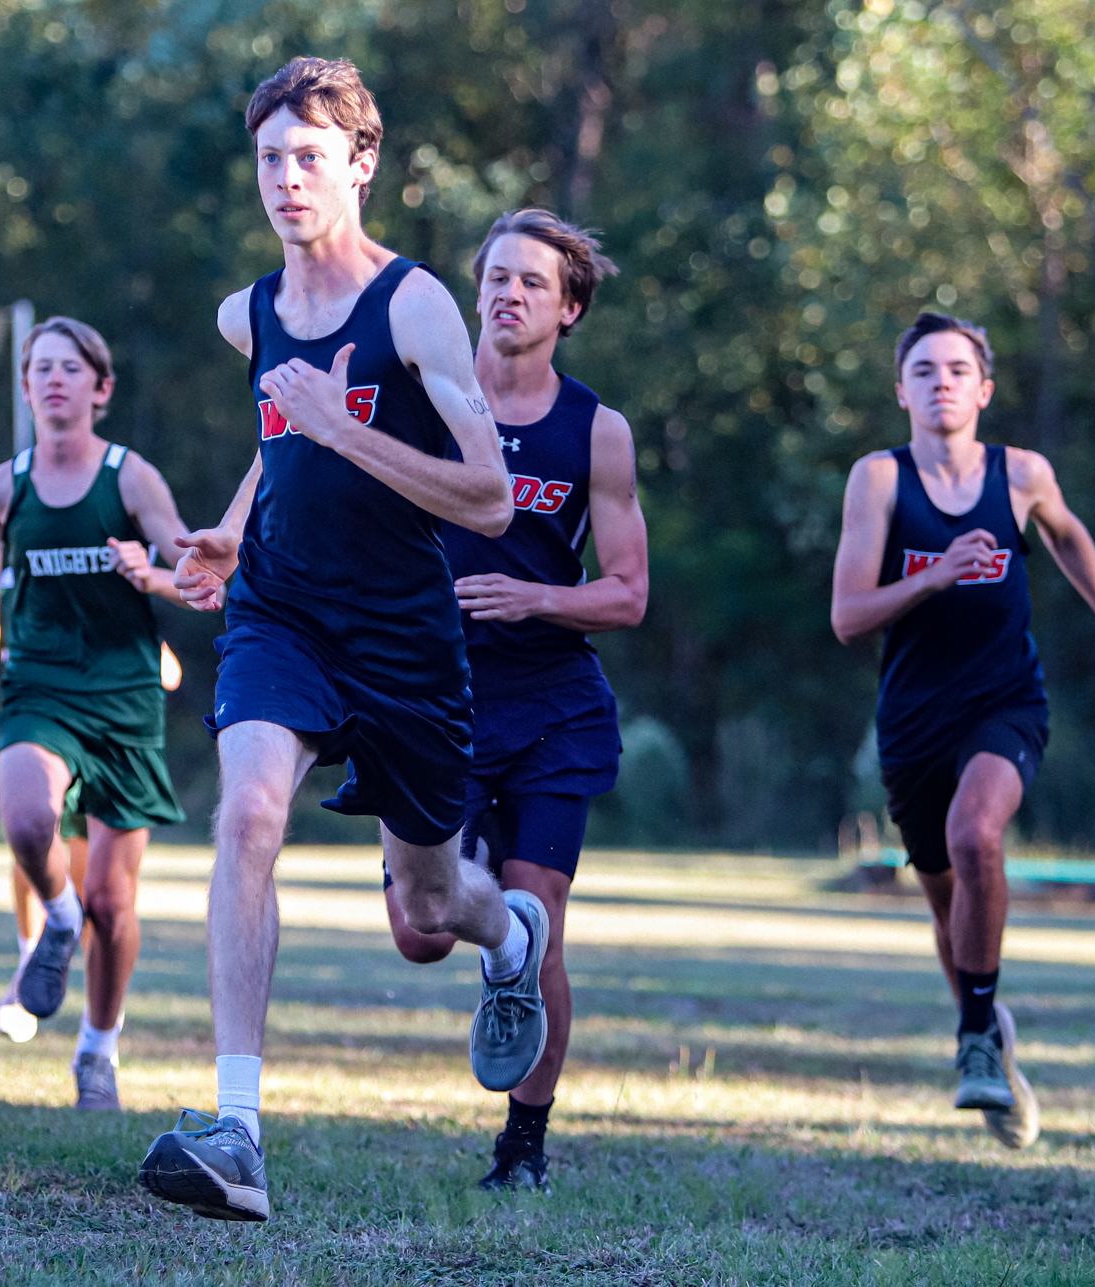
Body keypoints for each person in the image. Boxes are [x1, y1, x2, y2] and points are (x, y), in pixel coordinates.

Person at [140, 58, 537, 1222]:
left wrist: (339, 428)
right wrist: (226, 525)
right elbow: (284, 433)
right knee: (248, 810)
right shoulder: (246, 313)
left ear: (360, 164)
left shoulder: (411, 306)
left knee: (425, 906)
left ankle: (508, 931)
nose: (285, 179)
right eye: (268, 158)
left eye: (308, 156)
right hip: (280, 611)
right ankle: (238, 1129)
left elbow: (489, 497)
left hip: (405, 639)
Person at [829, 312, 1095, 1150]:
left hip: (1005, 702)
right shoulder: (878, 480)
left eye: (956, 369)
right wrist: (936, 575)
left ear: (984, 389)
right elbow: (846, 617)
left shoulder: (1020, 474)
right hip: (912, 722)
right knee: (949, 909)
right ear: (900, 389)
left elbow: (1070, 535)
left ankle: (975, 1034)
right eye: (923, 370)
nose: (940, 381)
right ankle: (990, 1034)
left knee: (977, 834)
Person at [379, 210, 645, 1191]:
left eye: (531, 282)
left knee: (539, 921)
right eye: (495, 276)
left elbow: (626, 591)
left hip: (547, 706)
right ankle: (496, 948)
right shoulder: (415, 406)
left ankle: (521, 1146)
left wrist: (534, 595)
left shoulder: (594, 431)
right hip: (424, 702)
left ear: (567, 308)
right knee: (417, 932)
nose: (506, 293)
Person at [0, 316, 191, 1110]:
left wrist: (153, 574)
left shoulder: (130, 478)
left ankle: (97, 1051)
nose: (55, 378)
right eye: (42, 367)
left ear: (101, 388)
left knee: (116, 900)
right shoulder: (7, 486)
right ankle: (55, 921)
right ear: (27, 385)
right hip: (38, 685)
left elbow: (195, 574)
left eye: (72, 367)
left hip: (125, 697)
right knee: (29, 819)